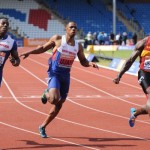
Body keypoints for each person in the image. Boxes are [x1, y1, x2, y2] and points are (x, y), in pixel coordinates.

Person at [20, 21, 99, 138]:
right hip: (54, 73)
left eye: (75, 28)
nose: (73, 29)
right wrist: (30, 52)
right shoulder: (57, 39)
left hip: (66, 76)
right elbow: (42, 48)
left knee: (59, 104)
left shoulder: (78, 46)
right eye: (71, 27)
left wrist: (89, 64)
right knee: (53, 99)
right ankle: (46, 92)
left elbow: (83, 61)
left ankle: (42, 126)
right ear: (66, 29)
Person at [113, 36, 150, 128]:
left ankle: (135, 113)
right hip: (145, 74)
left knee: (149, 107)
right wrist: (119, 75)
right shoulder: (144, 43)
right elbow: (130, 60)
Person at [0, 17, 20, 87]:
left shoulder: (11, 42)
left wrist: (14, 62)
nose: (5, 25)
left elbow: (17, 60)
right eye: (3, 23)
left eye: (7, 24)